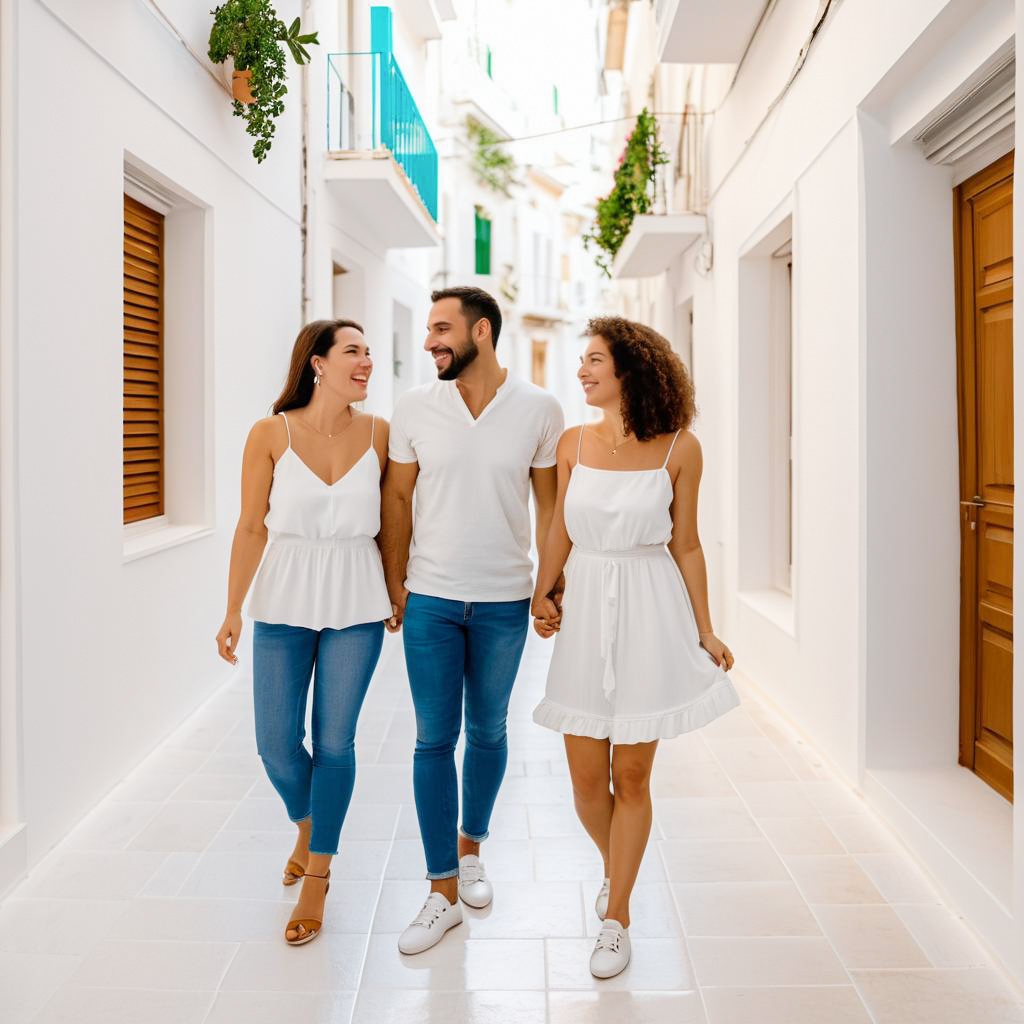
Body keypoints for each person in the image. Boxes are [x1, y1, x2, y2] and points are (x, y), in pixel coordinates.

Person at [531, 315, 740, 979]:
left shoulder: (682, 448)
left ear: (632, 371)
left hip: (652, 605)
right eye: (582, 361)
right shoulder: (572, 443)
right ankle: (618, 867)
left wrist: (705, 628)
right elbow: (560, 527)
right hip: (588, 599)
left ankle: (616, 915)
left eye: (594, 361)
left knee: (633, 776)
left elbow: (687, 543)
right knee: (587, 782)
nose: (582, 371)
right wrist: (544, 590)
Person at [381, 286, 564, 955]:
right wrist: (394, 583)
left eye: (440, 328)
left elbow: (551, 511)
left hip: (504, 601)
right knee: (434, 738)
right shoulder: (413, 407)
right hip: (430, 597)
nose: (430, 341)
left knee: (488, 730)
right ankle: (440, 891)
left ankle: (471, 850)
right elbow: (398, 495)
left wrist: (548, 589)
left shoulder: (540, 409)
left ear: (481, 331)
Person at [215, 319, 394, 946]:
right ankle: (308, 820)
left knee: (336, 742)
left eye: (370, 352)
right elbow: (249, 528)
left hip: (357, 598)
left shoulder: (380, 434)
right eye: (354, 351)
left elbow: (394, 523)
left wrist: (397, 591)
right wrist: (233, 609)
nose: (367, 361)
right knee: (276, 744)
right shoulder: (270, 433)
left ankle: (318, 874)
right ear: (317, 363)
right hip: (284, 596)